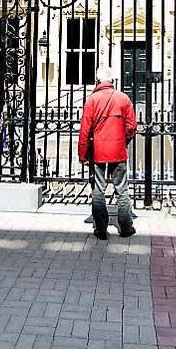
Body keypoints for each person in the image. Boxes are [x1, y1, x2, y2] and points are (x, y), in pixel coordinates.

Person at [78, 66, 138, 240]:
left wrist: (83, 153)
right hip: (118, 151)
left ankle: (101, 229)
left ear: (97, 81)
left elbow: (85, 131)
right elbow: (131, 127)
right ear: (112, 81)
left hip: (98, 151)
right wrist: (123, 141)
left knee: (98, 189)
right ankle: (126, 227)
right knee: (122, 189)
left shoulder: (92, 100)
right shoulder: (123, 98)